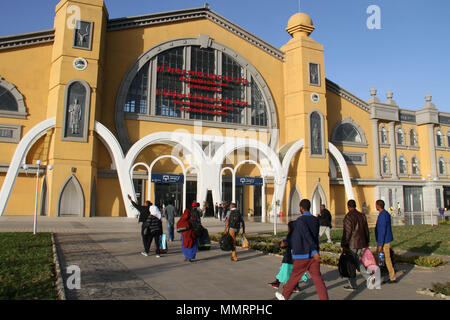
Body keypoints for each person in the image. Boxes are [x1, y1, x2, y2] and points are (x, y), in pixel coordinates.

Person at [275, 199, 328, 300]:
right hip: (313, 256)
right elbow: (314, 237)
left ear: (301, 208)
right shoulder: (315, 220)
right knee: (318, 280)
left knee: (294, 277)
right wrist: (315, 251)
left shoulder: (300, 221)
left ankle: (284, 296)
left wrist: (287, 243)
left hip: (302, 255)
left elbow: (305, 236)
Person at [340, 199, 371, 291]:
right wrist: (367, 241)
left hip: (352, 244)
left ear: (348, 207)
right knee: (357, 261)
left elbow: (348, 232)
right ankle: (369, 277)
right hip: (361, 243)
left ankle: (353, 285)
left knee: (351, 264)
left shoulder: (348, 217)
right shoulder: (362, 215)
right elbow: (366, 230)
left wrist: (344, 244)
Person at [268, 221, 302, 293]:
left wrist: (280, 244)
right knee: (288, 272)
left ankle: (294, 287)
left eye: (288, 227)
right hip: (294, 259)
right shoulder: (298, 236)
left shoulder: (291, 237)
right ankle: (278, 283)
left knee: (288, 272)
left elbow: (284, 244)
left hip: (289, 259)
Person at [375, 199, 397, 284]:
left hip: (384, 242)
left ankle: (391, 277)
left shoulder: (383, 216)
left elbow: (382, 230)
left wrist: (380, 244)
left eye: (376, 205)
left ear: (378, 206)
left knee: (384, 259)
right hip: (384, 240)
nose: (375, 206)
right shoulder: (385, 214)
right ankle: (388, 276)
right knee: (382, 259)